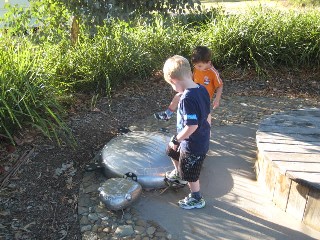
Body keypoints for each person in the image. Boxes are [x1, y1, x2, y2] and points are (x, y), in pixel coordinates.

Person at [162, 55, 211, 209]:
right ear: (189, 74)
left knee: (191, 174)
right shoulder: (202, 89)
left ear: (173, 80)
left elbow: (192, 126)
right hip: (196, 138)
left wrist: (177, 139)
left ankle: (197, 198)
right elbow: (208, 113)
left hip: (193, 143)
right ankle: (178, 173)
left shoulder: (187, 99)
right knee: (171, 150)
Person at [154, 46, 223, 125]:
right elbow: (191, 77)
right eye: (195, 65)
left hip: (203, 95)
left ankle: (205, 127)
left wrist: (217, 99)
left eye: (199, 66)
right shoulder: (197, 68)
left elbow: (220, 86)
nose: (197, 67)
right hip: (192, 90)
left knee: (204, 113)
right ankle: (167, 114)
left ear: (208, 62)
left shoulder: (213, 73)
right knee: (177, 96)